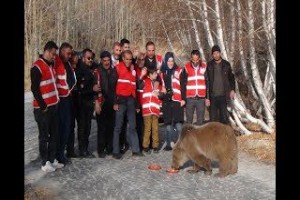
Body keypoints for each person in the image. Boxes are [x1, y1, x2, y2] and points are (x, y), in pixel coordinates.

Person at [30, 41, 63, 172]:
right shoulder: (37, 67)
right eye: (53, 54)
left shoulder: (51, 65)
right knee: (44, 136)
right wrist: (43, 106)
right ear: (47, 51)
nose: (55, 57)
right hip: (43, 109)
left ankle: (52, 158)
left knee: (54, 135)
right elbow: (34, 89)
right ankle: (45, 162)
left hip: (54, 105)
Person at [112, 50, 144, 159]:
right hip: (120, 100)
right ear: (123, 58)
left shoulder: (133, 70)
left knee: (133, 126)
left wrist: (137, 104)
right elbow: (113, 86)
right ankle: (116, 151)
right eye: (127, 59)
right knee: (118, 127)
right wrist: (115, 102)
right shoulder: (117, 68)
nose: (128, 61)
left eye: (130, 59)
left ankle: (136, 150)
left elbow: (134, 87)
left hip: (131, 100)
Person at [54, 42, 77, 165]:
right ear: (61, 51)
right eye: (68, 53)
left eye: (70, 54)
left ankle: (60, 153)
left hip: (67, 98)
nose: (69, 56)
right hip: (58, 98)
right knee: (59, 128)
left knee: (66, 127)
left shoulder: (68, 64)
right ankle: (56, 154)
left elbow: (72, 79)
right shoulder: (55, 62)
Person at [75, 48, 100, 157]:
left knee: (88, 126)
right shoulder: (79, 71)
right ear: (83, 58)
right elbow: (79, 89)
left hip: (89, 103)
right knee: (82, 127)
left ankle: (85, 147)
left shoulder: (92, 68)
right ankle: (82, 149)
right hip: (81, 103)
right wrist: (92, 89)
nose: (90, 60)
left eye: (92, 58)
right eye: (88, 58)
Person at [160, 52, 186, 151]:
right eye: (168, 61)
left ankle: (181, 144)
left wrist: (183, 99)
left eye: (172, 61)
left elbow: (183, 86)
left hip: (177, 100)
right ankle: (168, 144)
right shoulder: (162, 73)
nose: (170, 63)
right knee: (168, 125)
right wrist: (161, 90)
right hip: (167, 101)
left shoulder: (179, 71)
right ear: (165, 61)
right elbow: (159, 86)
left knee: (179, 124)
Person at [95, 51, 118, 158]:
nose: (106, 63)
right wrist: (96, 103)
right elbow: (95, 89)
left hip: (111, 102)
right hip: (101, 102)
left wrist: (116, 101)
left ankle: (109, 148)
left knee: (111, 127)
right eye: (104, 61)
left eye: (108, 60)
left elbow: (116, 88)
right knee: (101, 128)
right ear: (101, 61)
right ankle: (101, 149)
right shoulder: (97, 72)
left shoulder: (114, 71)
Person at [205, 45, 235, 124]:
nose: (216, 55)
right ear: (212, 55)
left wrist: (232, 90)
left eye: (217, 53)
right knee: (213, 120)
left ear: (220, 53)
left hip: (223, 96)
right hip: (213, 97)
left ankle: (223, 136)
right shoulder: (209, 65)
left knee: (224, 119)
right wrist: (207, 97)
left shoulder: (226, 64)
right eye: (214, 53)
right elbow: (206, 82)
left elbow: (231, 78)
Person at [138, 68, 163, 154]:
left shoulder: (158, 84)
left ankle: (155, 146)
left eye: (156, 74)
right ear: (149, 75)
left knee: (155, 129)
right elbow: (138, 85)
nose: (156, 75)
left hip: (155, 110)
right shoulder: (145, 82)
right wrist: (141, 75)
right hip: (147, 110)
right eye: (154, 74)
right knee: (147, 129)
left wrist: (159, 94)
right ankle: (145, 146)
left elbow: (162, 94)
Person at [184, 50, 208, 125]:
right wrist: (183, 97)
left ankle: (199, 136)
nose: (195, 62)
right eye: (193, 60)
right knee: (189, 121)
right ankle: (188, 136)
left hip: (201, 98)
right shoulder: (186, 67)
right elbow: (183, 83)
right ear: (191, 58)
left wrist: (207, 97)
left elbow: (207, 82)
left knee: (200, 121)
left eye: (197, 60)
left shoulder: (204, 67)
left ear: (199, 58)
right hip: (190, 97)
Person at [66, 51, 80, 158]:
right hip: (68, 99)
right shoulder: (67, 68)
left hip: (77, 99)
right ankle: (68, 149)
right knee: (69, 126)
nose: (75, 63)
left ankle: (71, 150)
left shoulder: (76, 68)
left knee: (73, 126)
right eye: (73, 61)